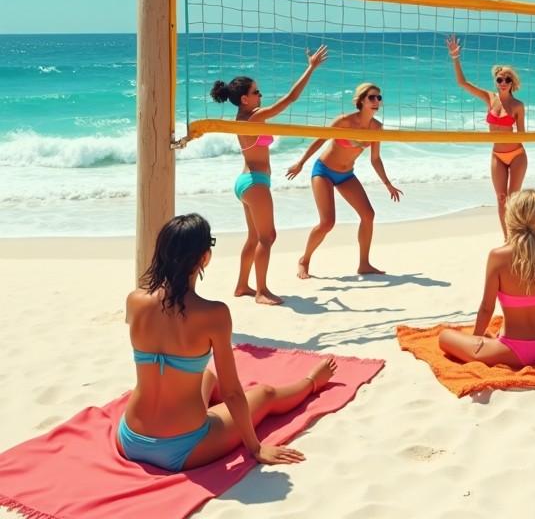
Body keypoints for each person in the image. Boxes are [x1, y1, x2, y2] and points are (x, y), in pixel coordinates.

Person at [117, 213, 336, 472]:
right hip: (181, 447)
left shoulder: (135, 301)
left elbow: (164, 348)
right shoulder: (214, 314)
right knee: (264, 394)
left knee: (206, 377)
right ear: (204, 258)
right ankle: (312, 382)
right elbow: (232, 392)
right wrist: (255, 448)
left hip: (130, 437)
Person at [210, 45, 328, 305]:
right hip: (254, 183)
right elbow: (289, 99)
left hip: (246, 182)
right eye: (256, 92)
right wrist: (310, 68)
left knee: (255, 238)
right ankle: (261, 291)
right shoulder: (253, 117)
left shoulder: (242, 117)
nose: (260, 95)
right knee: (268, 237)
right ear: (245, 98)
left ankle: (242, 285)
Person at [438, 189, 535, 367]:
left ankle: (490, 340)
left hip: (512, 350)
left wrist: (476, 341)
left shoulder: (497, 256)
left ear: (511, 217)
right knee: (495, 335)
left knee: (444, 336)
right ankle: (496, 338)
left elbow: (486, 309)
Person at [286, 83, 403, 277]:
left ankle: (364, 264)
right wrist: (301, 163)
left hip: (346, 175)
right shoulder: (344, 121)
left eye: (379, 98)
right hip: (323, 171)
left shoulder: (377, 127)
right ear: (361, 101)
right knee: (327, 223)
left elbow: (375, 159)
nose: (376, 102)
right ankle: (304, 260)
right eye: (372, 98)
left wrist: (388, 184)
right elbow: (320, 140)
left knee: (368, 215)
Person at [446, 34, 526, 238]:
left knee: (513, 199)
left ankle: (519, 235)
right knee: (501, 199)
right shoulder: (489, 98)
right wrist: (455, 58)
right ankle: (508, 239)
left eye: (508, 79)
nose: (503, 82)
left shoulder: (518, 106)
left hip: (516, 155)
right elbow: (462, 83)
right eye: (500, 79)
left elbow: (523, 135)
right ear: (496, 81)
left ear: (512, 82)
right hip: (497, 156)